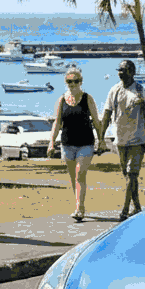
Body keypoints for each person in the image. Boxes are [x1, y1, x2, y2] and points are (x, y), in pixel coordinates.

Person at [48, 67, 104, 222]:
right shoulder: (61, 99)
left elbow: (96, 121)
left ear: (81, 82)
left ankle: (80, 209)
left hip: (85, 143)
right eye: (69, 81)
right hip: (67, 144)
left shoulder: (88, 98)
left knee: (80, 175)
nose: (72, 84)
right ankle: (79, 204)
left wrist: (101, 140)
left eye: (75, 81)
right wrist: (51, 142)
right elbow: (57, 122)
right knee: (74, 178)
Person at [100, 59, 145, 220]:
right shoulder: (114, 90)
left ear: (132, 72)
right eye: (119, 70)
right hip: (121, 140)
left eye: (123, 70)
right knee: (129, 176)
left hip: (137, 139)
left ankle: (124, 210)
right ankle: (137, 207)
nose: (120, 73)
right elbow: (107, 113)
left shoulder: (140, 91)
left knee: (131, 174)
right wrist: (101, 137)